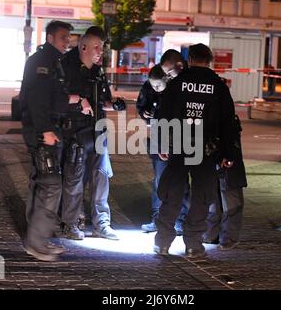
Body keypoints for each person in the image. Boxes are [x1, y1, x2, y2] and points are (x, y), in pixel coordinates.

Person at [154, 43, 236, 258]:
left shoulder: (177, 83)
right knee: (202, 197)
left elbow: (163, 115)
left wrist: (162, 144)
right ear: (209, 61)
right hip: (207, 150)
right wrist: (228, 153)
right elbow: (228, 123)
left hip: (180, 146)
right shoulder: (218, 86)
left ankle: (162, 243)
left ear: (190, 60)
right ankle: (193, 245)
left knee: (172, 194)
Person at [60, 28, 126, 241]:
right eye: (97, 47)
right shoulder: (65, 66)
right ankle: (69, 224)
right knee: (74, 181)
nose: (101, 52)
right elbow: (55, 97)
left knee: (101, 178)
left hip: (97, 131)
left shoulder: (97, 71)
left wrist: (113, 105)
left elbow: (102, 101)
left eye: (102, 48)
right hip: (74, 132)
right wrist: (78, 100)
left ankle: (101, 224)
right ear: (84, 47)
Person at [20, 20, 73, 261]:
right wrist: (46, 129)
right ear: (50, 38)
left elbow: (53, 97)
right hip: (43, 131)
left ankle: (36, 237)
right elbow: (38, 99)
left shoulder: (53, 60)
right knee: (51, 185)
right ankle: (37, 242)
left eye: (68, 37)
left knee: (42, 183)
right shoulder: (43, 61)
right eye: (64, 37)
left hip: (45, 129)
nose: (68, 41)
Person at [137, 64, 189, 235]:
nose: (156, 89)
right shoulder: (149, 86)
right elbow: (141, 105)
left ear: (167, 79)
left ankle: (180, 220)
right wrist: (144, 112)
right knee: (159, 180)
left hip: (178, 137)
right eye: (153, 86)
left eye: (158, 85)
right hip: (158, 136)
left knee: (180, 182)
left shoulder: (177, 89)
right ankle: (157, 219)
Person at [203, 114, 247, 250]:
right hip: (218, 156)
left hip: (217, 156)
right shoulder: (223, 107)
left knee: (226, 199)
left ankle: (218, 236)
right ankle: (222, 237)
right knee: (222, 199)